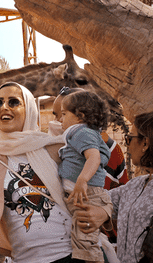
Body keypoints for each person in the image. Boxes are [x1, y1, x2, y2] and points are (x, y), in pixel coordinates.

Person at [0, 82, 111, 263]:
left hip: (70, 255)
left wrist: (104, 211)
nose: (4, 107)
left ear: (30, 109)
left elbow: (95, 182)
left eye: (13, 102)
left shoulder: (55, 148)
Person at [77, 111, 153, 263]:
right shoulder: (136, 185)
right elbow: (99, 199)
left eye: (129, 138)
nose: (127, 145)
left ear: (145, 143)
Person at [57, 91, 111, 263]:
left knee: (85, 243)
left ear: (79, 116)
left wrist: (82, 180)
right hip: (84, 196)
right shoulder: (81, 132)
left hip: (88, 195)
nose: (60, 119)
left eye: (64, 114)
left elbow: (93, 157)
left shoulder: (81, 132)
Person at [51, 87, 129, 190]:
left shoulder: (111, 150)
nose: (58, 120)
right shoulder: (56, 147)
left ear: (80, 116)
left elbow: (122, 191)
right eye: (55, 116)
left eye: (63, 114)